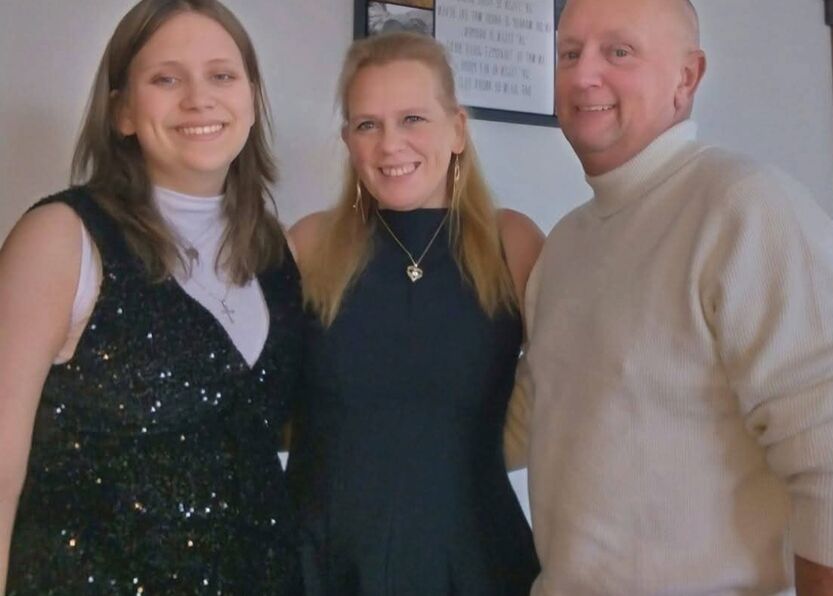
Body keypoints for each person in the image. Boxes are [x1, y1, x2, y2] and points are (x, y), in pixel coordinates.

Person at [515, 0, 833, 594]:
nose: (583, 74)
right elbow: (536, 414)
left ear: (687, 77)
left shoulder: (747, 208)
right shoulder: (565, 243)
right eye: (569, 53)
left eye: (619, 51)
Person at [0, 0, 304, 593]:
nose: (199, 98)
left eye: (222, 75)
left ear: (250, 98)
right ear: (121, 111)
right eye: (166, 79)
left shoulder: (278, 254)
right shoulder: (60, 238)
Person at [285, 32, 543, 596]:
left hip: (475, 560)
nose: (390, 144)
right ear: (348, 140)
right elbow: (257, 407)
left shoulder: (514, 244)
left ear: (458, 129)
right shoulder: (308, 246)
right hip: (322, 561)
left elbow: (570, 395)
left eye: (413, 119)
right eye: (367, 124)